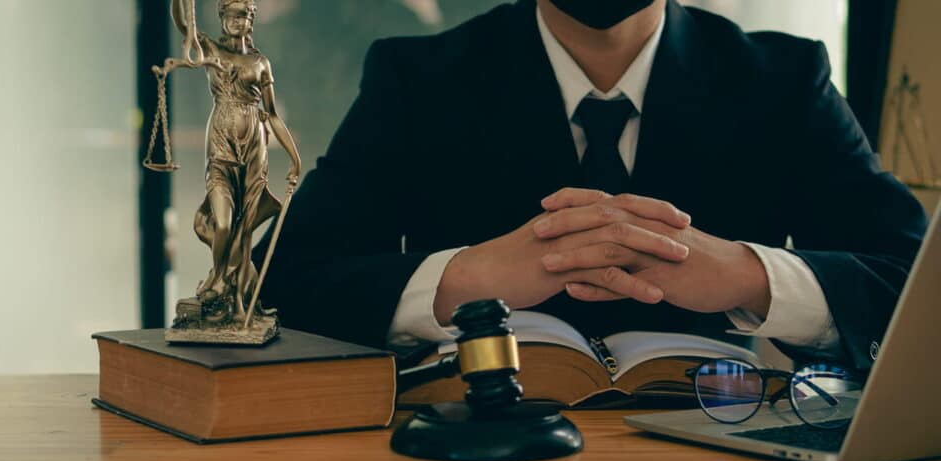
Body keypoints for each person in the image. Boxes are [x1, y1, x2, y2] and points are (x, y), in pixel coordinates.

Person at [254, 0, 927, 371]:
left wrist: (747, 276)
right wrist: (464, 280)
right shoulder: (418, 76)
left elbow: (913, 281)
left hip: (722, 450)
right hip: (472, 451)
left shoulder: (782, 78)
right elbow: (278, 284)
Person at [171, 0, 301, 324]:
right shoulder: (212, 52)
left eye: (242, 15)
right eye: (229, 15)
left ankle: (236, 298)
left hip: (254, 152)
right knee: (224, 223)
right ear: (221, 17)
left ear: (250, 19)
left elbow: (271, 115)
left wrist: (294, 157)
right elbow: (185, 26)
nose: (235, 21)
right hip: (221, 148)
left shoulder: (260, 63)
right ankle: (217, 279)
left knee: (244, 232)